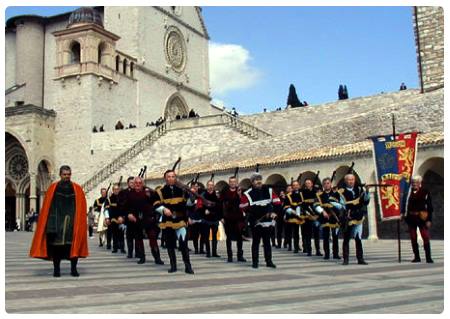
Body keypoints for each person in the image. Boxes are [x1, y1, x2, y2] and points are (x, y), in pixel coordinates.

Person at [29, 165, 88, 277]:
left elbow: (81, 208)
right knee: (57, 248)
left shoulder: (77, 189)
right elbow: (48, 207)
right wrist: (50, 225)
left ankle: (73, 269)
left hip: (72, 224)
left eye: (69, 174)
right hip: (57, 224)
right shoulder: (53, 188)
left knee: (72, 247)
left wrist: (78, 223)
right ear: (60, 175)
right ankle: (57, 270)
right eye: (65, 174)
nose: (67, 177)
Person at [154, 170, 194, 274]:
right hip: (168, 222)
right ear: (165, 178)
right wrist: (163, 210)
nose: (171, 178)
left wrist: (192, 197)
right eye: (169, 176)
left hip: (180, 221)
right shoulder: (160, 191)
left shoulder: (182, 190)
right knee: (170, 245)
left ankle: (188, 266)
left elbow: (188, 205)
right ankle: (173, 266)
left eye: (173, 176)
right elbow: (155, 205)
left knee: (183, 245)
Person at [240, 172, 281, 269]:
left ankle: (269, 261)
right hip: (256, 221)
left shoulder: (269, 190)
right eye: (256, 180)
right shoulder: (247, 193)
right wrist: (252, 210)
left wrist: (275, 212)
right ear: (252, 182)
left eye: (259, 179)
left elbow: (277, 202)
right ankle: (255, 262)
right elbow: (242, 206)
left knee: (267, 242)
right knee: (256, 242)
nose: (258, 182)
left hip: (267, 221)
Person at [338, 174, 370, 265]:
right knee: (346, 238)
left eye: (352, 179)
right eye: (349, 180)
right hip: (348, 217)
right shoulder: (341, 192)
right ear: (345, 181)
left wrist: (367, 192)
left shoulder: (359, 190)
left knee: (358, 239)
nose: (351, 181)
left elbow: (365, 201)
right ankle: (346, 259)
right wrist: (345, 212)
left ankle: (360, 258)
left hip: (358, 217)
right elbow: (340, 205)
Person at [403, 175, 434, 263]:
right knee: (413, 237)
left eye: (416, 182)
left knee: (425, 236)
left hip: (422, 217)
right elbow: (405, 204)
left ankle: (428, 257)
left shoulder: (425, 192)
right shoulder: (408, 192)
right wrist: (404, 215)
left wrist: (429, 220)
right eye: (413, 182)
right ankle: (417, 257)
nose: (414, 184)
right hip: (411, 218)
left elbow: (429, 207)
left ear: (420, 183)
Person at [220, 176, 246, 262]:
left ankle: (240, 255)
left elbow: (244, 202)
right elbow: (221, 205)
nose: (232, 183)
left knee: (239, 237)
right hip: (228, 217)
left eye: (234, 182)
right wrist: (222, 217)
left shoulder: (241, 191)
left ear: (236, 182)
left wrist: (239, 195)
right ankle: (229, 256)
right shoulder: (225, 192)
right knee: (229, 237)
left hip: (238, 218)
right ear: (229, 182)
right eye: (231, 182)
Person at [316, 177, 344, 260]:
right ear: (323, 185)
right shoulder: (319, 195)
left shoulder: (336, 194)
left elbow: (341, 205)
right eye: (325, 184)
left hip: (334, 217)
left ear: (330, 184)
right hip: (325, 218)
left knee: (335, 236)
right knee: (326, 236)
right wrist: (322, 212)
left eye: (328, 183)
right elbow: (316, 205)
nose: (326, 185)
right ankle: (327, 254)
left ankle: (335, 253)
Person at [200, 180, 222, 258]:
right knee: (206, 236)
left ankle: (214, 252)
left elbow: (219, 206)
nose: (210, 186)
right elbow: (200, 206)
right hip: (206, 219)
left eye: (212, 185)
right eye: (209, 185)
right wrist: (204, 210)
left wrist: (219, 217)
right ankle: (208, 252)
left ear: (214, 186)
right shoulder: (203, 195)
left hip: (214, 218)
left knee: (215, 236)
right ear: (207, 186)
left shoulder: (216, 195)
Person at [300, 179, 322, 256]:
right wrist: (308, 214)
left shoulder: (316, 192)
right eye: (306, 183)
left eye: (309, 183)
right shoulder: (302, 193)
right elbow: (303, 205)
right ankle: (309, 250)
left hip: (316, 215)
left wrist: (317, 214)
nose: (308, 184)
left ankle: (318, 250)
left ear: (312, 184)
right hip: (308, 216)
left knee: (317, 234)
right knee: (308, 234)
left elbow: (319, 204)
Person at [283, 180, 305, 253]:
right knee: (290, 231)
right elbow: (286, 207)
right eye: (294, 185)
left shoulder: (301, 194)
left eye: (297, 185)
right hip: (291, 215)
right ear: (292, 187)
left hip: (300, 215)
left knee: (297, 232)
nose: (295, 186)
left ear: (299, 186)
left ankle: (297, 246)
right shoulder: (288, 196)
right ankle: (290, 245)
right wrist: (293, 212)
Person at [105, 185, 126, 254]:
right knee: (114, 234)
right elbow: (106, 209)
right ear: (113, 190)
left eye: (117, 189)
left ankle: (122, 248)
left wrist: (123, 217)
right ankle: (115, 248)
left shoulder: (122, 198)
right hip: (113, 218)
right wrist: (107, 218)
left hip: (121, 218)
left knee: (121, 234)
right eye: (115, 189)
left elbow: (124, 208)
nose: (116, 190)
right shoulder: (109, 198)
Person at [118, 177, 136, 258]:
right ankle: (130, 252)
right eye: (131, 182)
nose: (133, 184)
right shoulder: (123, 192)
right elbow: (121, 205)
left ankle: (139, 252)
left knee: (138, 236)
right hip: (127, 216)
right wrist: (122, 216)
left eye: (134, 182)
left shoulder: (137, 191)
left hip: (136, 216)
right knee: (129, 236)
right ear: (128, 183)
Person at [187, 182, 205, 254]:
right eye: (194, 186)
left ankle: (201, 249)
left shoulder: (201, 195)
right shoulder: (188, 195)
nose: (195, 188)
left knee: (203, 234)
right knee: (195, 235)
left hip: (201, 217)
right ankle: (196, 249)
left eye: (197, 186)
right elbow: (186, 208)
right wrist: (188, 218)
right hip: (192, 217)